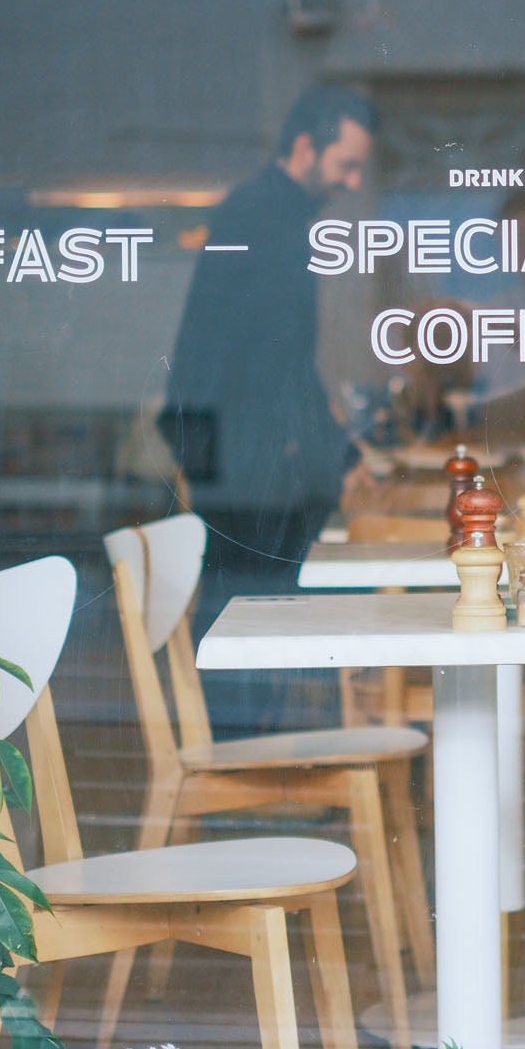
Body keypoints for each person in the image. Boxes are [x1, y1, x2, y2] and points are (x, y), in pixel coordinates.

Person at [158, 84, 376, 727]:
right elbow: (284, 364)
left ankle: (238, 757)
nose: (353, 180)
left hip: (220, 443)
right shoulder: (270, 221)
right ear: (306, 147)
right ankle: (237, 762)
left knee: (241, 610)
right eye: (346, 164)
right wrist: (337, 458)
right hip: (237, 453)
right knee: (244, 613)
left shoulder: (257, 211)